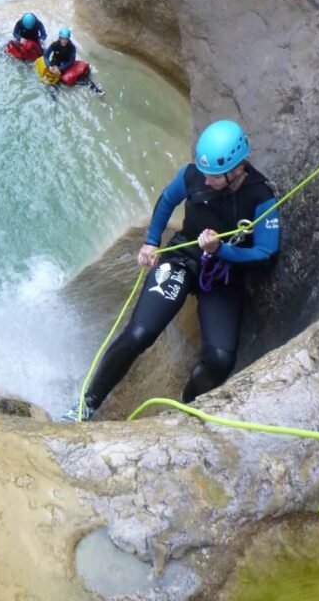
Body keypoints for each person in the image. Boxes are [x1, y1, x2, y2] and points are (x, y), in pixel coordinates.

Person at [60, 119, 280, 421]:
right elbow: (166, 200)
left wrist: (222, 250)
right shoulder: (193, 176)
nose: (206, 179)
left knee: (219, 359)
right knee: (138, 334)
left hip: (222, 275)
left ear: (237, 169)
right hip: (183, 256)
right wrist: (151, 241)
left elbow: (267, 254)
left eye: (215, 176)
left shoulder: (260, 197)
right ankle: (86, 404)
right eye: (205, 172)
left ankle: (187, 405)